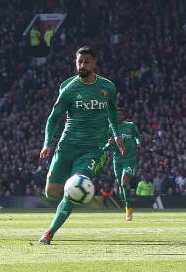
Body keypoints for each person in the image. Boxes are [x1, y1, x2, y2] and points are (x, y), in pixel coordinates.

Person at [38, 46, 126, 245]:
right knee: (51, 192)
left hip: (93, 149)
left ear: (94, 63)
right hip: (67, 146)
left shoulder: (108, 87)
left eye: (86, 61)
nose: (82, 65)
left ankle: (49, 233)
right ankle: (66, 203)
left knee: (74, 188)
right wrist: (47, 143)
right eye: (79, 61)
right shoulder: (68, 88)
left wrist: (116, 134)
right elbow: (53, 118)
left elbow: (113, 111)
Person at [103, 108, 141, 221]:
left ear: (124, 115)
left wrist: (138, 144)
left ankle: (128, 209)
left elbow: (138, 136)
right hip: (117, 160)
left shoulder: (130, 126)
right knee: (121, 186)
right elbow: (104, 145)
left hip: (130, 159)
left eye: (120, 113)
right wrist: (108, 144)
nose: (118, 115)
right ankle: (126, 204)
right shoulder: (110, 128)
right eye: (116, 114)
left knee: (124, 183)